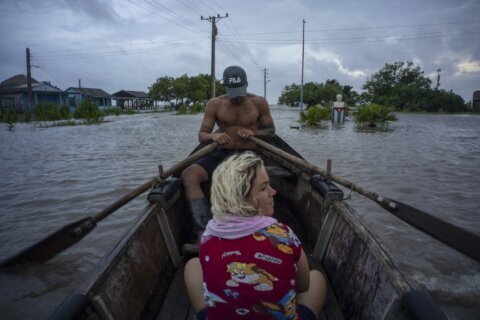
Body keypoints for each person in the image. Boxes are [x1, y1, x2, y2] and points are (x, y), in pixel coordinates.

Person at [184, 152, 327, 320]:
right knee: (316, 278)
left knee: (192, 265)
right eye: (263, 187)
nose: (273, 191)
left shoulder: (208, 236)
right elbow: (303, 286)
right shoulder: (284, 235)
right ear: (242, 198)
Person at [181, 66, 275, 248]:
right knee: (189, 175)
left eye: (240, 91)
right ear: (224, 87)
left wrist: (253, 132)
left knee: (246, 182)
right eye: (232, 92)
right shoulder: (215, 104)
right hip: (222, 154)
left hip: (249, 156)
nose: (237, 97)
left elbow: (271, 131)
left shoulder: (259, 102)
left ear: (246, 85)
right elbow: (202, 135)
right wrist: (213, 136)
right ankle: (203, 231)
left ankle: (257, 228)